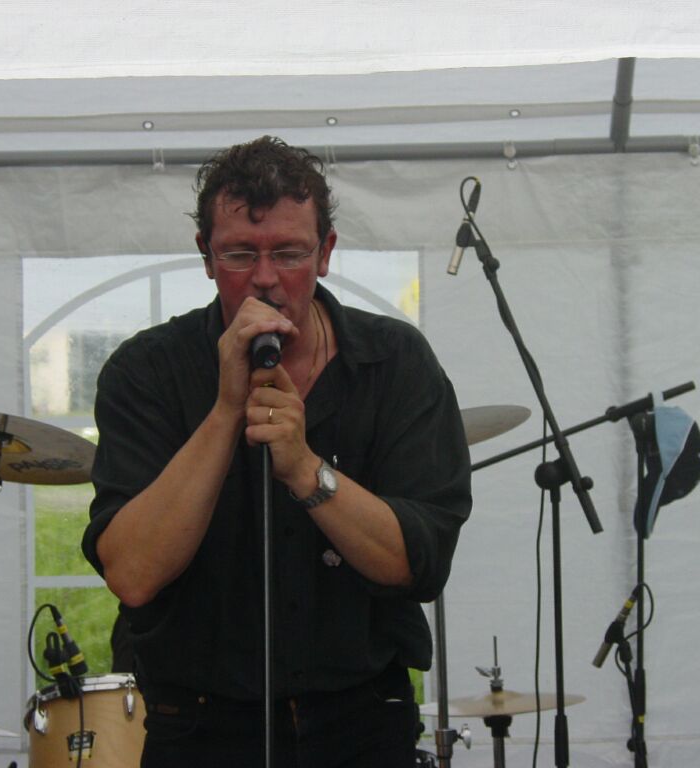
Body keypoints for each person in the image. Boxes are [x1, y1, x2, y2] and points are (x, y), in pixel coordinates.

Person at [82, 135, 471, 768]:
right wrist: (225, 411)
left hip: (363, 721)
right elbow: (132, 574)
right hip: (199, 726)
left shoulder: (395, 363)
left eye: (289, 253)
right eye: (240, 254)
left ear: (326, 253)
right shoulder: (146, 372)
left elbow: (418, 563)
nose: (265, 278)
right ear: (207, 258)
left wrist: (306, 471)